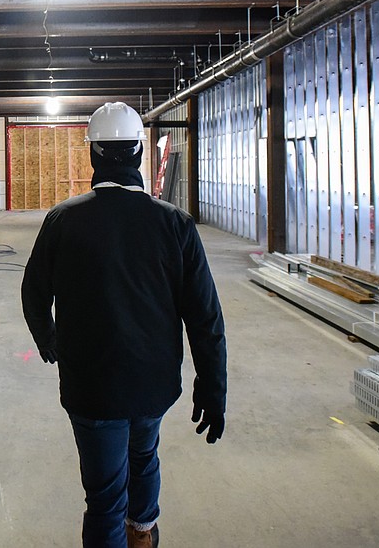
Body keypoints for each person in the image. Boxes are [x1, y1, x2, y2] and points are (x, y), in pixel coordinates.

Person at [21, 101, 227, 548]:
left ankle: (126, 532)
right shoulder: (175, 224)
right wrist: (213, 386)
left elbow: (33, 293)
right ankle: (143, 534)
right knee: (144, 453)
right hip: (153, 384)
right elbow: (205, 316)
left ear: (93, 155)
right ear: (139, 153)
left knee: (104, 498)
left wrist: (48, 338)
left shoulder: (62, 220)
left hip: (92, 388)